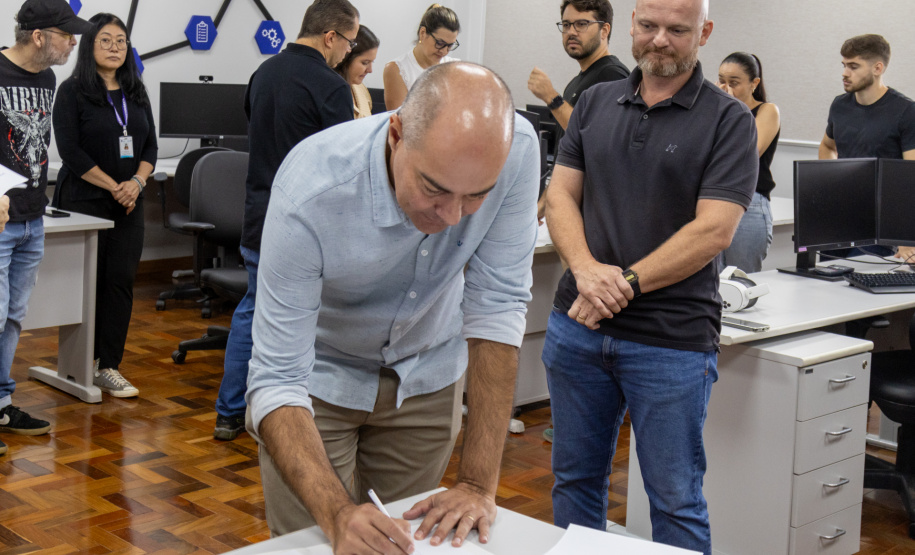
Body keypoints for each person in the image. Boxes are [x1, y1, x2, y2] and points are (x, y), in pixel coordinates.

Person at [246, 62, 539, 552]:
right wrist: (338, 515)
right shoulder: (311, 189)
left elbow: (498, 307)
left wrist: (476, 485)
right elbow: (276, 378)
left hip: (428, 374)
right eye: (434, 188)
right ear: (396, 134)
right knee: (319, 543)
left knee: (412, 544)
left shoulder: (516, 149)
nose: (451, 217)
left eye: (475, 197)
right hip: (317, 386)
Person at [541, 0, 758, 552]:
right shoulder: (592, 101)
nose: (660, 40)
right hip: (577, 328)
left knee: (675, 500)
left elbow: (713, 231)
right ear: (630, 27)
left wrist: (622, 284)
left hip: (671, 342)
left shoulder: (729, 120)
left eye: (678, 30)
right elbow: (561, 194)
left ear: (704, 32)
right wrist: (587, 271)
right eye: (649, 26)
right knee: (574, 483)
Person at [212, 0, 358, 441]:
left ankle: (229, 411)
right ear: (330, 36)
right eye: (349, 43)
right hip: (309, 224)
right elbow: (341, 161)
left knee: (253, 311)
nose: (348, 53)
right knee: (308, 320)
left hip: (259, 215)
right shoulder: (330, 85)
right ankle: (291, 413)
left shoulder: (263, 74)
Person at [0, 0, 91, 457]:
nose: (74, 41)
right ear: (39, 37)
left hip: (32, 217)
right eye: (66, 34)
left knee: (14, 318)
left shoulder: (49, 79)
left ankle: (1, 402)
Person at [52, 13, 156, 399]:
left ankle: (108, 366)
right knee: (87, 286)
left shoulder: (135, 90)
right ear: (90, 46)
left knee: (120, 283)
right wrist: (115, 186)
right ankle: (79, 363)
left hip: (129, 203)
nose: (115, 48)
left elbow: (150, 146)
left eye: (121, 41)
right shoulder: (73, 90)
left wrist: (137, 183)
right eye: (106, 41)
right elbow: (71, 152)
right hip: (85, 200)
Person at [819, 34, 915, 263]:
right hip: (840, 220)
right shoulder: (839, 105)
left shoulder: (906, 111)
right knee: (826, 285)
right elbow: (827, 145)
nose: (844, 73)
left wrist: (907, 237)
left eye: (853, 66)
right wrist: (830, 183)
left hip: (881, 226)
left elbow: (911, 178)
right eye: (844, 65)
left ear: (877, 68)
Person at [718, 52, 780, 273]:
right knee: (712, 284)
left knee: (741, 281)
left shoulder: (767, 111)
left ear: (754, 83)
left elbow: (746, 155)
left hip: (749, 203)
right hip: (715, 202)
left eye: (734, 83)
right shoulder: (717, 112)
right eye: (721, 81)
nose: (725, 88)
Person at [528, 0, 629, 133]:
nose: (571, 32)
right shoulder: (574, 83)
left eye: (581, 24)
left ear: (604, 31)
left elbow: (596, 138)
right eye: (566, 24)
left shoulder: (613, 75)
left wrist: (551, 97)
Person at [382, 4, 459, 110]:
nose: (444, 51)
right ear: (422, 33)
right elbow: (400, 121)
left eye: (450, 45)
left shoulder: (456, 68)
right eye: (440, 43)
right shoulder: (396, 69)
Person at [334, 25, 380, 119]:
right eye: (365, 63)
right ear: (346, 58)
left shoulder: (361, 89)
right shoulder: (331, 92)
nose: (370, 70)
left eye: (372, 62)